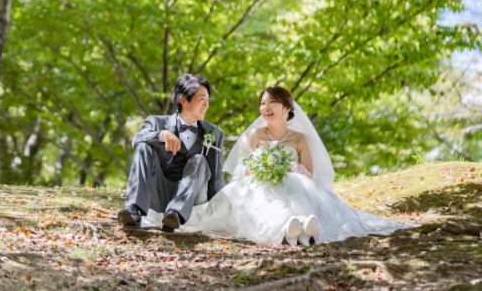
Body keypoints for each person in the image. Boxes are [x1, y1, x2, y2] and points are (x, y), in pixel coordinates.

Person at [154, 85, 412, 244]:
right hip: (261, 184)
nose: (265, 107)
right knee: (263, 190)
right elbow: (245, 169)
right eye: (263, 103)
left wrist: (293, 168)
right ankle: (289, 228)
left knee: (296, 181)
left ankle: (304, 226)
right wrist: (261, 168)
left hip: (296, 184)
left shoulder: (300, 139)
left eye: (271, 103)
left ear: (287, 108)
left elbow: (310, 173)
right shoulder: (256, 136)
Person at [118, 74, 226, 232]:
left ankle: (175, 213)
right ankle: (134, 210)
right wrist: (162, 135)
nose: (206, 105)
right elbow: (137, 139)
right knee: (143, 147)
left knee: (199, 160)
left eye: (208, 101)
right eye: (202, 99)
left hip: (192, 198)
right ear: (183, 100)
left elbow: (216, 179)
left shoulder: (214, 133)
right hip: (158, 194)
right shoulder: (156, 122)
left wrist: (218, 212)